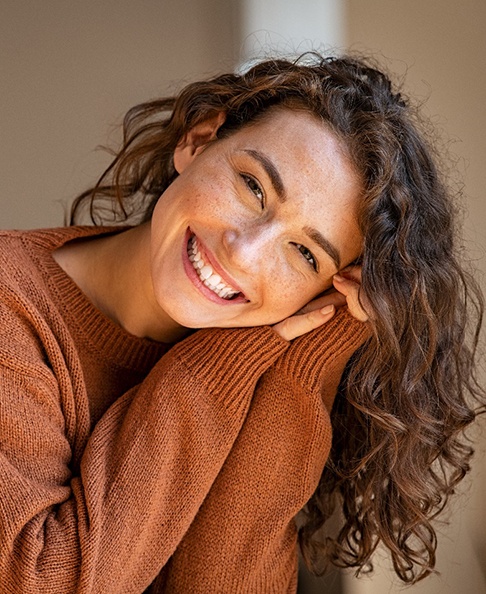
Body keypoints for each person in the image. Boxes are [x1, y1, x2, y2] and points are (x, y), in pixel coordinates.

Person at [0, 53, 483, 593]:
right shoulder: (10, 304)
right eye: (253, 187)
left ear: (327, 290)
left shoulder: (262, 373)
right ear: (198, 140)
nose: (244, 252)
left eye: (304, 254)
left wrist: (302, 368)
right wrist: (211, 371)